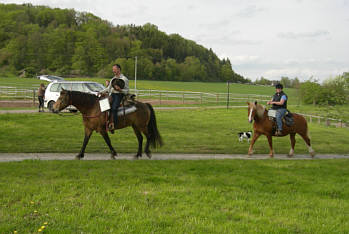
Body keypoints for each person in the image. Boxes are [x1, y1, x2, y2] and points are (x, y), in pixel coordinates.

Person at [99, 64, 129, 130]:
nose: (113, 71)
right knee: (103, 106)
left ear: (119, 69)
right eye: (113, 69)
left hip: (119, 95)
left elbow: (127, 91)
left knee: (114, 108)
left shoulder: (124, 79)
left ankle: (114, 124)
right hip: (112, 95)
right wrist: (101, 92)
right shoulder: (113, 79)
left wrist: (120, 90)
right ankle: (105, 122)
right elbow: (108, 89)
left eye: (115, 69)